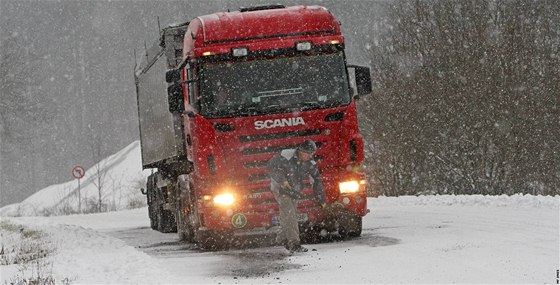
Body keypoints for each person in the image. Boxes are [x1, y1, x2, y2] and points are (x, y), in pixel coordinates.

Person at [267, 139, 326, 253]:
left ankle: (281, 238)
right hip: (280, 188)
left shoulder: (310, 163)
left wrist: (321, 199)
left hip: (294, 190)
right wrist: (282, 180)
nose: (309, 156)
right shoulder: (286, 155)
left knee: (289, 214)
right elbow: (271, 167)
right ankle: (294, 244)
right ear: (300, 151)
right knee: (290, 215)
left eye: (311, 154)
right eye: (307, 153)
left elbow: (317, 182)